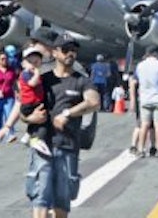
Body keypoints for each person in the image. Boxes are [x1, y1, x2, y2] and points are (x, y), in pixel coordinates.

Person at [23, 35, 100, 218]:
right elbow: (23, 109)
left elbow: (94, 101)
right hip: (42, 145)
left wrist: (68, 113)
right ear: (55, 52)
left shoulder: (82, 80)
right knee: (40, 198)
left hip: (68, 146)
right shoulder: (42, 79)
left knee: (62, 201)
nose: (70, 54)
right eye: (66, 50)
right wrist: (30, 118)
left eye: (74, 50)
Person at [131, 47, 158, 157]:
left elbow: (135, 81)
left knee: (144, 124)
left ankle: (141, 149)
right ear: (156, 54)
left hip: (144, 99)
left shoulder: (140, 66)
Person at [18, 47, 50, 156]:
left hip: (34, 102)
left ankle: (28, 136)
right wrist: (37, 74)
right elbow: (32, 83)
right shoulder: (26, 74)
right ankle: (36, 139)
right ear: (24, 64)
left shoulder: (34, 74)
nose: (34, 65)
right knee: (42, 119)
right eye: (31, 62)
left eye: (37, 62)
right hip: (29, 104)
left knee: (36, 122)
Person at [0, 52, 18, 141]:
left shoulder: (11, 70)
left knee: (9, 115)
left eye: (6, 59)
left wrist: (17, 93)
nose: (4, 61)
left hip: (9, 96)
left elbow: (15, 83)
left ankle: (10, 134)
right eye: (2, 59)